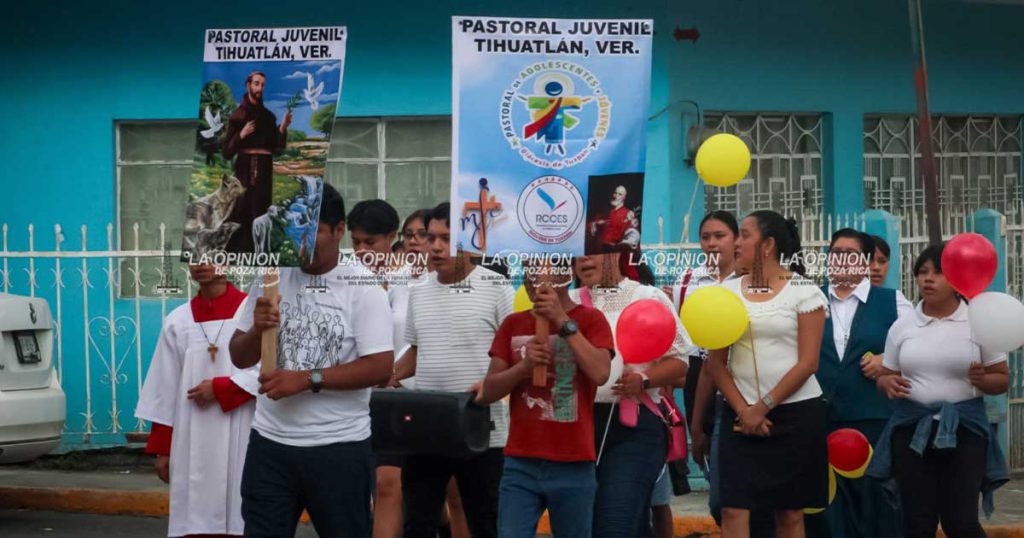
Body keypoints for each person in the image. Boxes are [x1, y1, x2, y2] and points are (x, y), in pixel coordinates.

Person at [228, 184, 395, 538]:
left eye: (314, 229)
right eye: (294, 227)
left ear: (338, 232)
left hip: (339, 448)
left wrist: (307, 379)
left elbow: (380, 366)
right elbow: (238, 356)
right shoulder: (272, 276)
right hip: (270, 444)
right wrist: (259, 329)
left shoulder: (362, 287)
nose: (301, 238)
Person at [869, 244, 1009, 538]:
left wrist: (982, 378)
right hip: (911, 432)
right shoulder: (903, 326)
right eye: (922, 272)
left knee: (961, 522)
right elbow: (887, 375)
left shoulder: (978, 322)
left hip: (965, 431)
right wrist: (886, 383)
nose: (928, 279)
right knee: (917, 522)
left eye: (938, 273)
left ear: (958, 279)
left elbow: (1002, 380)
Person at [393, 202, 514, 538]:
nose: (435, 247)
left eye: (446, 239)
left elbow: (513, 355)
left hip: (483, 429)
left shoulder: (497, 288)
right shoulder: (418, 292)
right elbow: (416, 354)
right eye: (430, 238)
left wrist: (490, 384)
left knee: (485, 522)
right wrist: (386, 376)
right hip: (427, 427)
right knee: (418, 522)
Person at [706, 210, 829, 538]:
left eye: (744, 235)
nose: (736, 242)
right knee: (732, 508)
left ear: (768, 245)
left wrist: (763, 407)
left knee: (789, 513)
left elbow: (809, 363)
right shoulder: (726, 294)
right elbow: (716, 363)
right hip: (738, 414)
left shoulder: (804, 291)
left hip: (796, 415)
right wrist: (744, 410)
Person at [477, 257, 615, 538]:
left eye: (543, 270)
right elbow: (488, 392)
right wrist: (523, 368)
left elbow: (601, 372)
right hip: (520, 462)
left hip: (574, 462)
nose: (534, 278)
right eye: (529, 270)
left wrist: (561, 320)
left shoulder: (591, 319)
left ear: (564, 275)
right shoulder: (513, 324)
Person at [570, 250, 694, 537]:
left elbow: (679, 363)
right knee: (606, 523)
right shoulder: (571, 303)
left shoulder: (647, 297)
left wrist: (644, 379)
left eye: (594, 253)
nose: (584, 261)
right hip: (580, 426)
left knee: (616, 522)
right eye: (578, 255)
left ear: (617, 254)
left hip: (636, 426)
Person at [136, 264, 258, 538]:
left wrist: (224, 388)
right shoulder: (178, 320)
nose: (201, 264)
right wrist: (163, 448)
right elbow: (164, 386)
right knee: (195, 515)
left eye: (212, 255)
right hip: (192, 437)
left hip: (244, 428)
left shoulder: (252, 313)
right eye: (194, 256)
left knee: (243, 512)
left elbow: (269, 368)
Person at [805, 229, 913, 538]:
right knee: (826, 511)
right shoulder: (811, 300)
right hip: (819, 420)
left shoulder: (892, 301)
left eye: (850, 254)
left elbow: (920, 348)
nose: (841, 260)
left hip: (873, 422)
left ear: (865, 262)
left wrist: (887, 360)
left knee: (876, 506)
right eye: (835, 253)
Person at [347, 199, 408, 538]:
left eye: (370, 242)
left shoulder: (411, 282)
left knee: (388, 484)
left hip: (403, 400)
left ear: (391, 237)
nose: (361, 250)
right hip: (355, 399)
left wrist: (396, 373)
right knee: (372, 487)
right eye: (355, 242)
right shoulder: (344, 282)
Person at [222, 71, 292, 253]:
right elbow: (227, 152)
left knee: (262, 211)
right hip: (244, 170)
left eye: (262, 85)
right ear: (248, 85)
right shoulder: (237, 116)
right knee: (242, 209)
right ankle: (239, 252)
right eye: (256, 84)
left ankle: (260, 251)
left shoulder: (269, 118)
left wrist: (282, 128)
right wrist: (241, 134)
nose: (260, 88)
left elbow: (276, 149)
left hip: (264, 172)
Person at [589, 185, 640, 252]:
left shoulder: (628, 214)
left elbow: (633, 236)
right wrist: (595, 224)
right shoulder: (602, 213)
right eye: (615, 193)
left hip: (614, 252)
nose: (615, 196)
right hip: (596, 252)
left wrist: (619, 247)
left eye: (620, 194)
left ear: (624, 197)